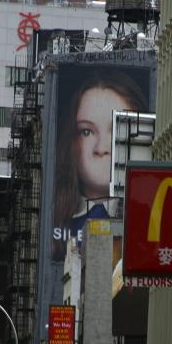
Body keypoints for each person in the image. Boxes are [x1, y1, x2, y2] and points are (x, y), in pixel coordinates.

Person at [53, 70, 147, 259]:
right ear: (70, 140)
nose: (102, 147)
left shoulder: (148, 224)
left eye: (117, 130)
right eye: (87, 132)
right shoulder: (54, 220)